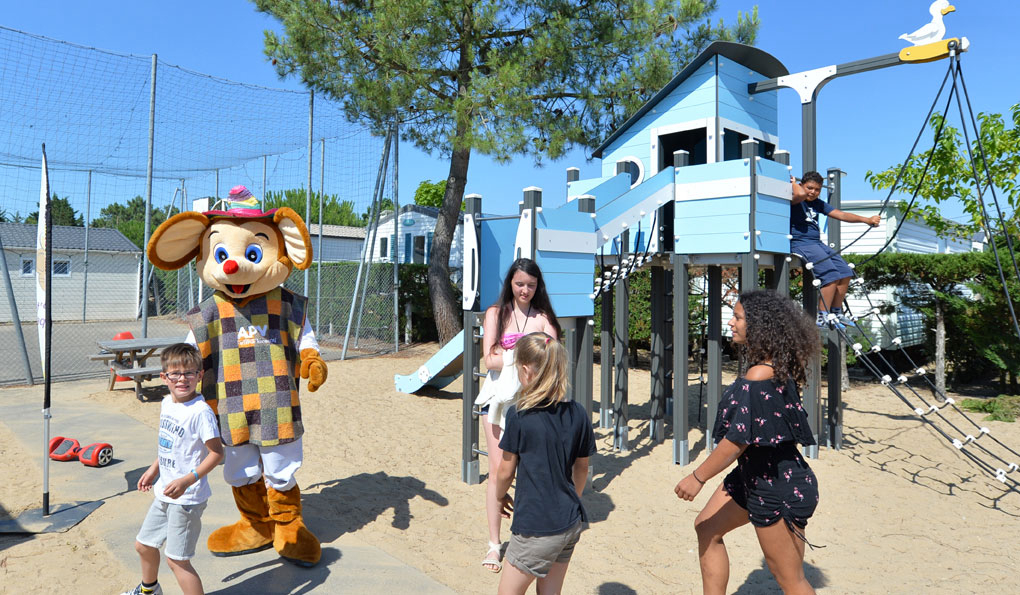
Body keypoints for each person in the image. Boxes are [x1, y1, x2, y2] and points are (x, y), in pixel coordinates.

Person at [675, 290, 821, 595]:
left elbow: (737, 440)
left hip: (778, 486)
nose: (731, 322)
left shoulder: (759, 375)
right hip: (751, 476)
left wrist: (697, 477)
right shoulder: (775, 365)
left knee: (790, 580)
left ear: (760, 326)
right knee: (706, 528)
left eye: (738, 317)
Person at [476, 258, 561, 572]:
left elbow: (552, 358)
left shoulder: (544, 318)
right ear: (510, 283)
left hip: (533, 403)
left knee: (528, 471)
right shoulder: (496, 314)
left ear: (538, 286)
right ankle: (494, 545)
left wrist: (509, 354)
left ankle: (524, 539)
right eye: (519, 283)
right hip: (498, 402)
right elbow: (489, 359)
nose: (525, 290)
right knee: (498, 470)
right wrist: (526, 355)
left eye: (531, 284)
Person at [493, 332, 595, 594]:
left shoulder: (519, 415)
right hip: (570, 520)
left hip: (536, 527)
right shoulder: (578, 413)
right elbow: (581, 468)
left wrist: (500, 495)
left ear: (526, 370)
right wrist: (573, 497)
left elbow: (505, 470)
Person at [123, 343, 224, 595]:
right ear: (164, 377)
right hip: (165, 491)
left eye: (189, 373)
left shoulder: (201, 412)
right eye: (175, 374)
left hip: (187, 499)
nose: (182, 379)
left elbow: (217, 453)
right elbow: (169, 442)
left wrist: (187, 480)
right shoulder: (167, 403)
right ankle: (149, 590)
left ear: (200, 376)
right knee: (143, 545)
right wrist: (154, 468)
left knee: (177, 560)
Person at [790, 171, 880, 328]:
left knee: (845, 271)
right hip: (801, 243)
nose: (813, 192)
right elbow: (798, 194)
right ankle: (823, 316)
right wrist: (792, 183)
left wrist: (866, 220)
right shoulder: (795, 199)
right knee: (830, 275)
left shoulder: (817, 203)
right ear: (801, 186)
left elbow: (841, 214)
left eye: (817, 189)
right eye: (809, 188)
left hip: (816, 243)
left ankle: (836, 312)